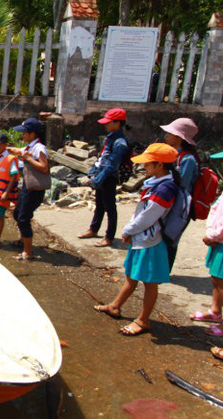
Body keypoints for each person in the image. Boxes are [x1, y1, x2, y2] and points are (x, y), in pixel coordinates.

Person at [94, 143, 181, 336]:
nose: (144, 167)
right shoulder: (157, 183)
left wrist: (128, 230)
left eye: (148, 164)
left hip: (151, 241)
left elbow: (149, 216)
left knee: (149, 283)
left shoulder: (165, 188)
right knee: (131, 276)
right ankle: (115, 306)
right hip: (141, 237)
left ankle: (143, 321)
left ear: (159, 166)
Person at [78, 108, 131, 248]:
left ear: (117, 123)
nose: (105, 125)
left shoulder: (120, 143)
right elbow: (101, 159)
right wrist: (93, 172)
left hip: (108, 178)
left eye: (108, 122)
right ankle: (93, 229)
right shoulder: (110, 137)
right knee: (99, 205)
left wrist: (97, 180)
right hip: (102, 175)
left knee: (110, 207)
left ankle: (109, 237)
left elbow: (111, 166)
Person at [190, 150, 223, 337]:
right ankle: (215, 312)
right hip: (218, 240)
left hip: (219, 239)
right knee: (216, 279)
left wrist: (214, 236)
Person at [8, 118, 50, 260]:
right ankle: (23, 240)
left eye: (25, 133)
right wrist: (5, 148)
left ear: (32, 134)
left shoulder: (39, 148)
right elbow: (18, 151)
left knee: (23, 218)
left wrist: (28, 159)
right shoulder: (30, 146)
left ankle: (28, 251)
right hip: (27, 186)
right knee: (17, 213)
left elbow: (44, 168)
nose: (23, 135)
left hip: (35, 189)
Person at [162, 118, 199, 269]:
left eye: (169, 133)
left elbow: (182, 184)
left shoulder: (187, 159)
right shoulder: (173, 154)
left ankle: (165, 270)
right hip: (169, 201)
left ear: (178, 137)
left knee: (171, 237)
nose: (166, 136)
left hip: (180, 204)